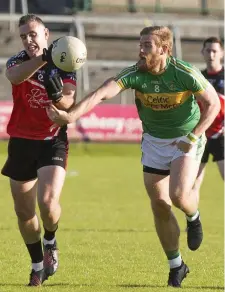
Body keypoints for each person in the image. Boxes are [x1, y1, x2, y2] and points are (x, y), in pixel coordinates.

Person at [47, 26, 220, 287]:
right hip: (153, 141)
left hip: (185, 138)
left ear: (163, 49)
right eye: (140, 44)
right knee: (159, 204)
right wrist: (71, 116)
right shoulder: (135, 73)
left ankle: (193, 217)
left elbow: (214, 105)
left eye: (147, 45)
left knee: (178, 195)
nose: (141, 49)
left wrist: (194, 135)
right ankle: (176, 264)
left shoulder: (184, 72)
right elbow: (103, 92)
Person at [1, 14, 76, 286]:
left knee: (46, 203)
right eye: (23, 36)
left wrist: (58, 97)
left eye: (33, 33)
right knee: (24, 213)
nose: (28, 39)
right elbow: (14, 76)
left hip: (51, 140)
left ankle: (51, 239)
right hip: (21, 141)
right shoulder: (18, 60)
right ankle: (36, 266)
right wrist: (43, 59)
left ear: (45, 33)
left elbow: (69, 100)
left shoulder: (65, 62)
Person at [192, 37, 224, 204]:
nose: (211, 54)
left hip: (221, 136)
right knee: (193, 184)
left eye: (215, 51)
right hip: (200, 135)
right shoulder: (198, 77)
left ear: (221, 53)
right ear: (202, 53)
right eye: (208, 51)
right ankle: (193, 224)